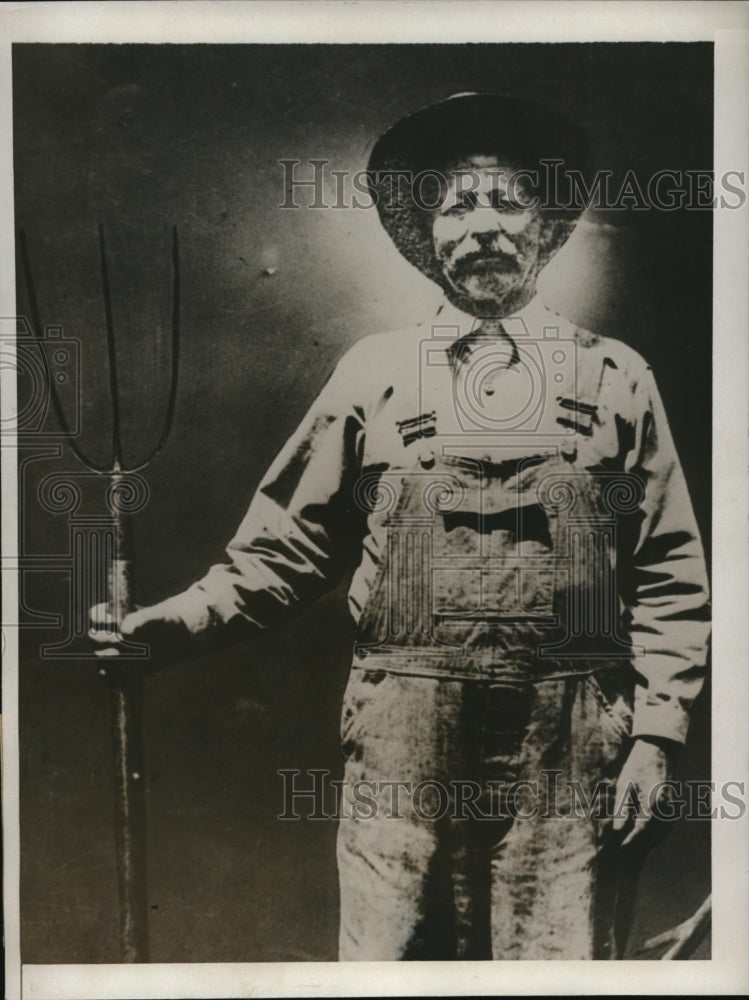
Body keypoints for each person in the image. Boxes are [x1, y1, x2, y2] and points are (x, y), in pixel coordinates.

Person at [90, 93, 710, 960]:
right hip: (400, 747)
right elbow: (285, 551)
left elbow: (669, 574)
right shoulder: (373, 376)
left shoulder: (616, 379)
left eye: (507, 201)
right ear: (431, 237)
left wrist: (653, 736)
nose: (484, 226)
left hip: (567, 750)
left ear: (544, 226)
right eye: (459, 206)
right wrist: (176, 621)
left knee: (560, 974)